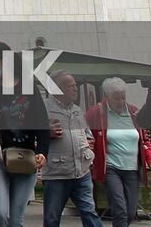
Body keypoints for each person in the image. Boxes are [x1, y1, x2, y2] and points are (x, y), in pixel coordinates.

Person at [0, 46, 49, 227]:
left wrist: (42, 151)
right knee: (0, 214)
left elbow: (42, 121)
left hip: (24, 156)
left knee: (15, 220)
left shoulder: (28, 87)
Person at [86, 78, 151, 227]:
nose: (121, 101)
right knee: (120, 209)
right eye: (117, 98)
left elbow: (144, 141)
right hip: (111, 168)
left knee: (131, 211)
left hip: (131, 169)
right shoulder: (96, 114)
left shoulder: (134, 112)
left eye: (123, 97)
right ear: (107, 97)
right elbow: (87, 137)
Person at [41, 70, 103, 227]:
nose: (75, 89)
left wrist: (89, 143)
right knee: (52, 218)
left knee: (89, 212)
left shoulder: (77, 110)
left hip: (81, 171)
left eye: (75, 85)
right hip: (57, 174)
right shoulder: (43, 109)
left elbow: (88, 133)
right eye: (70, 86)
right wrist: (46, 133)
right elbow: (33, 138)